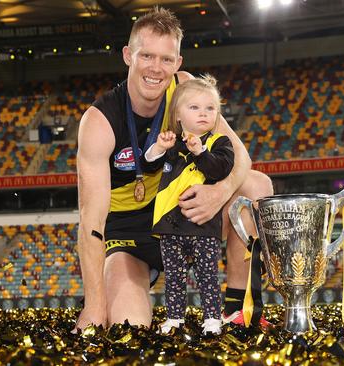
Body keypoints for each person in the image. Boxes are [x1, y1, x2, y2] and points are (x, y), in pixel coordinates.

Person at [74, 6, 272, 331]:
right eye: (146, 56)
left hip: (183, 215)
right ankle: (117, 297)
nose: (156, 68)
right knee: (128, 326)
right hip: (130, 236)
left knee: (256, 186)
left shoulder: (185, 89)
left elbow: (241, 157)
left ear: (178, 63)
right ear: (128, 55)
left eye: (166, 59)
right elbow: (90, 221)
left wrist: (217, 192)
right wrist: (94, 308)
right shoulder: (99, 121)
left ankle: (238, 309)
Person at [143, 75, 232, 335]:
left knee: (207, 276)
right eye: (194, 107)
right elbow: (148, 165)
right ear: (178, 115)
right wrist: (158, 148)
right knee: (174, 277)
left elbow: (219, 170)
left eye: (210, 108)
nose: (203, 114)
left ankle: (213, 318)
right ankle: (174, 318)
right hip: (171, 226)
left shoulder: (219, 143)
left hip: (203, 226)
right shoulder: (171, 144)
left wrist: (199, 152)